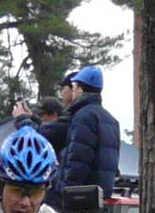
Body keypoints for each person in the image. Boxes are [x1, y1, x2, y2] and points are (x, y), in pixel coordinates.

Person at [51, 65, 120, 203]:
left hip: (79, 196)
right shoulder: (111, 120)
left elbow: (78, 159)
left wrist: (66, 192)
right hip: (99, 196)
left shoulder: (83, 116)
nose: (73, 91)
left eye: (74, 87)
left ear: (80, 89)